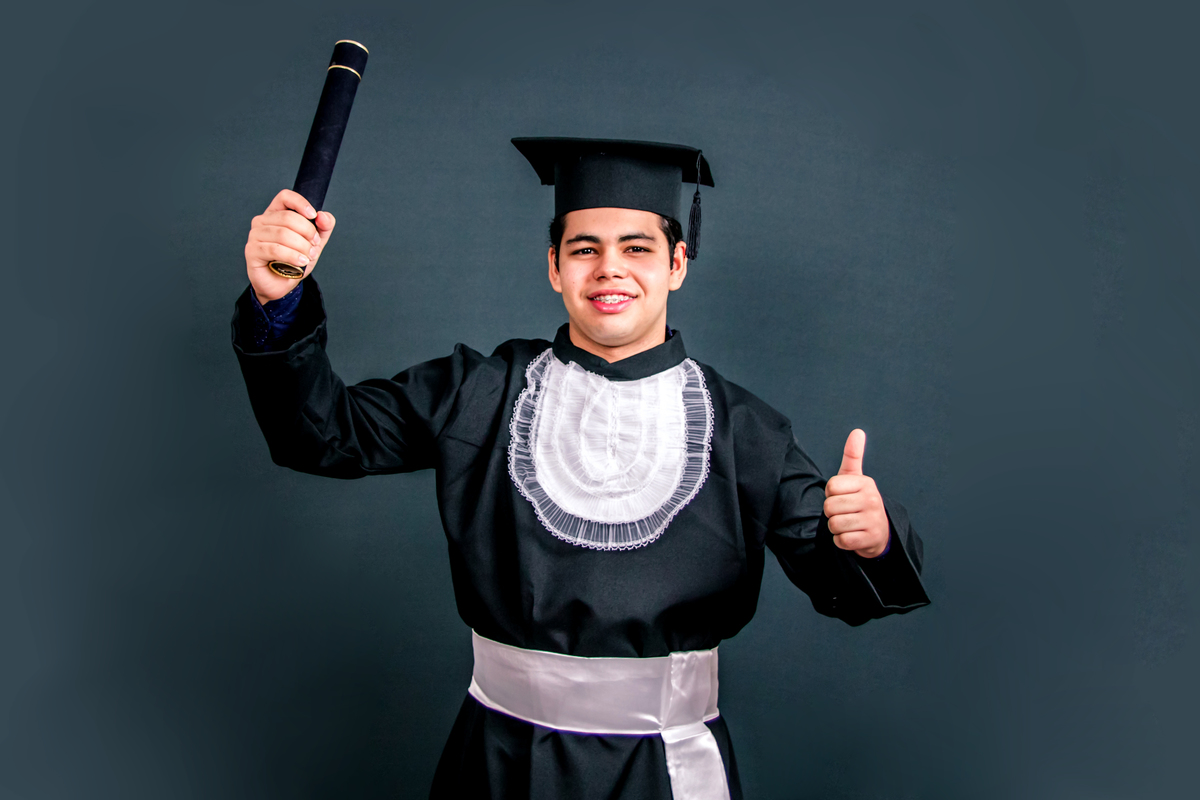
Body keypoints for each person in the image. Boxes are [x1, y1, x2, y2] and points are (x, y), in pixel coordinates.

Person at [232, 137, 930, 800]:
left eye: (637, 248)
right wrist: (277, 300)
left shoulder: (745, 430)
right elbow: (321, 436)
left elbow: (848, 583)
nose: (609, 269)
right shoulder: (479, 393)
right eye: (584, 248)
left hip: (664, 770)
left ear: (677, 264)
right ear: (553, 265)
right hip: (497, 762)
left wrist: (872, 538)